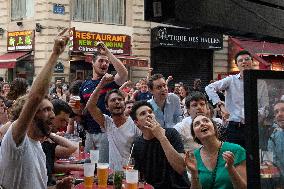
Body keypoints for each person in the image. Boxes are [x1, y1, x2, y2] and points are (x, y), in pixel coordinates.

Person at [0, 29, 73, 189]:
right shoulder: (17, 141)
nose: (52, 115)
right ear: (29, 114)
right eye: (45, 110)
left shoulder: (37, 145)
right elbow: (35, 97)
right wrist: (55, 54)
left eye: (51, 110)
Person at [79, 42, 128, 152]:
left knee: (103, 167)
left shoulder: (111, 81)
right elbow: (82, 111)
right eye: (101, 61)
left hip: (106, 132)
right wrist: (73, 108)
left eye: (107, 62)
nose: (105, 64)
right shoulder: (84, 85)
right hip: (89, 134)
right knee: (89, 166)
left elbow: (124, 73)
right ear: (92, 62)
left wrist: (108, 53)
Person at [130, 101, 190, 189]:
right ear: (136, 122)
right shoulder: (136, 144)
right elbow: (138, 176)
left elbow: (181, 168)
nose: (149, 115)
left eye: (150, 112)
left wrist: (161, 137)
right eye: (143, 114)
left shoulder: (171, 133)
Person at [86, 73, 141, 170]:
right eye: (113, 100)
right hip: (112, 176)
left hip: (130, 174)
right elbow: (90, 106)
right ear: (106, 106)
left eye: (120, 99)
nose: (117, 102)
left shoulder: (135, 124)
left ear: (124, 103)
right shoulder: (107, 123)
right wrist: (101, 83)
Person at [205, 50, 253, 149]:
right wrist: (220, 105)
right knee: (234, 158)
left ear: (252, 61)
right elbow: (209, 88)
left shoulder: (260, 82)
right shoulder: (231, 80)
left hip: (253, 127)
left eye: (247, 59)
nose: (244, 62)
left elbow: (264, 105)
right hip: (234, 128)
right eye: (240, 60)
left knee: (253, 159)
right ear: (237, 64)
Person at [185, 115, 247, 189]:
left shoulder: (237, 150)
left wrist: (230, 169)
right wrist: (194, 173)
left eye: (206, 121)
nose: (202, 124)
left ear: (215, 128)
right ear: (194, 135)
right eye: (197, 124)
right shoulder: (194, 157)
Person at [267, 100, 284, 184]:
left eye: (283, 110)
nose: (279, 114)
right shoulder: (271, 138)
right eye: (276, 112)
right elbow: (268, 169)